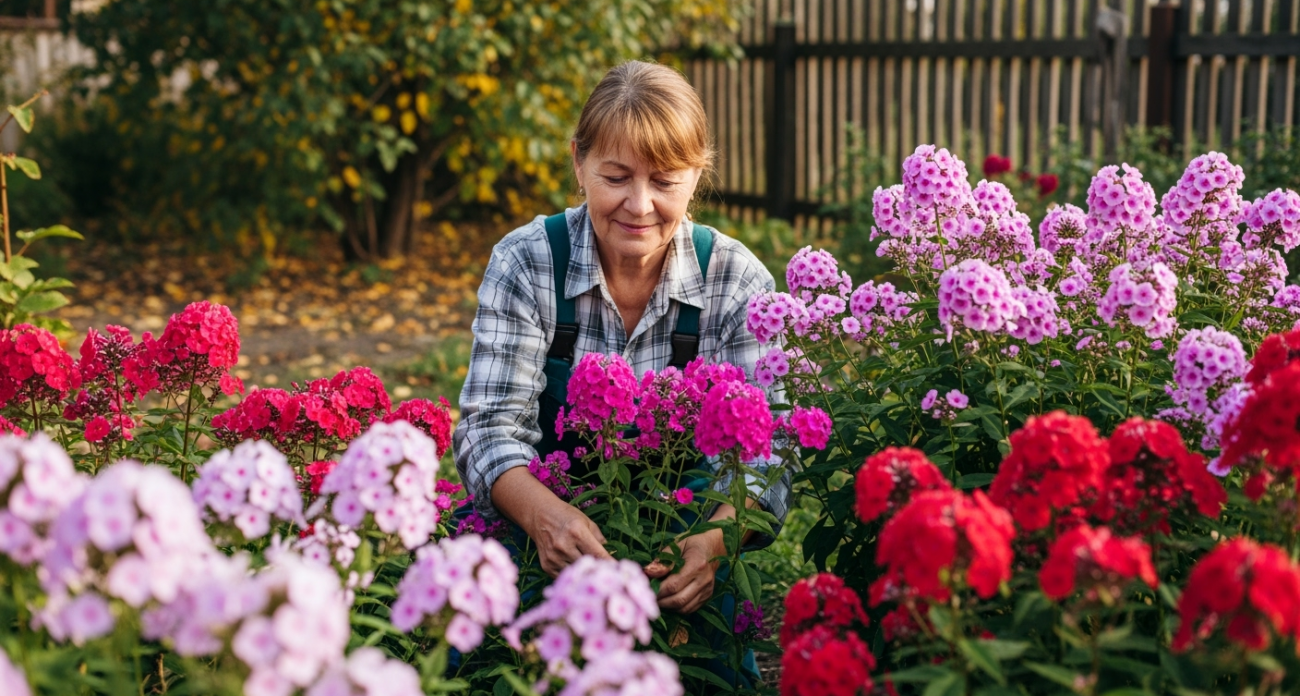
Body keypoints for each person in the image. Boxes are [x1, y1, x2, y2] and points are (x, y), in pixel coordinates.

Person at [453, 60, 789, 626]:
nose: (639, 205)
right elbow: (489, 428)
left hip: (684, 541)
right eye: (616, 178)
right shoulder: (529, 261)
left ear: (697, 175)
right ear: (578, 162)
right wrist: (546, 518)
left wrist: (709, 545)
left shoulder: (735, 280)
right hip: (545, 542)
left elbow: (765, 453)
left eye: (664, 181)